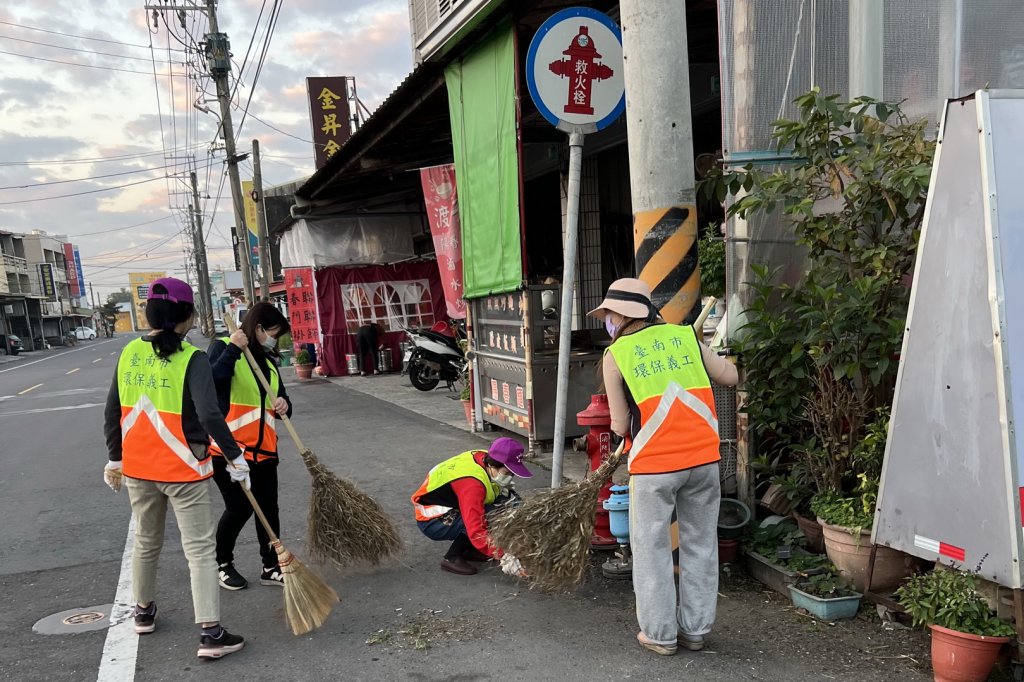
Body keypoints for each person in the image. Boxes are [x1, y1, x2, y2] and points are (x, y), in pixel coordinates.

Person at [589, 278, 738, 656]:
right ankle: (696, 630)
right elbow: (731, 377)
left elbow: (620, 426)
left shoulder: (617, 353)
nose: (607, 320)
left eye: (608, 314)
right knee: (701, 544)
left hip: (655, 465)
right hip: (704, 460)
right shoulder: (687, 337)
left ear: (621, 315)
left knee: (652, 548)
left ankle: (660, 634)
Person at [102, 277, 247, 660]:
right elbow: (210, 415)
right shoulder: (191, 358)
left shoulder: (130, 352)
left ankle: (143, 611)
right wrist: (236, 457)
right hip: (183, 469)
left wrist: (115, 458)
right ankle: (211, 634)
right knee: (199, 550)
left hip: (139, 468)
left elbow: (112, 410)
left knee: (146, 542)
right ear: (186, 315)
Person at [207, 301, 293, 590]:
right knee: (239, 507)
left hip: (265, 451)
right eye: (272, 332)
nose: (274, 339)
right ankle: (222, 563)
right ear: (257, 328)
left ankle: (270, 566)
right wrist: (233, 348)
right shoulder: (222, 348)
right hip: (229, 451)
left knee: (269, 509)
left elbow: (282, 401)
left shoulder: (268, 363)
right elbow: (212, 381)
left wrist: (284, 404)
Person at [412, 437, 531, 576]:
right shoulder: (472, 485)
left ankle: (470, 550)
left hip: (451, 505)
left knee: (502, 507)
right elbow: (476, 529)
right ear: (493, 466)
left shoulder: (484, 457)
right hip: (433, 520)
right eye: (507, 473)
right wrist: (504, 556)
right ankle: (451, 558)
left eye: (512, 474)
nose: (510, 477)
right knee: (489, 516)